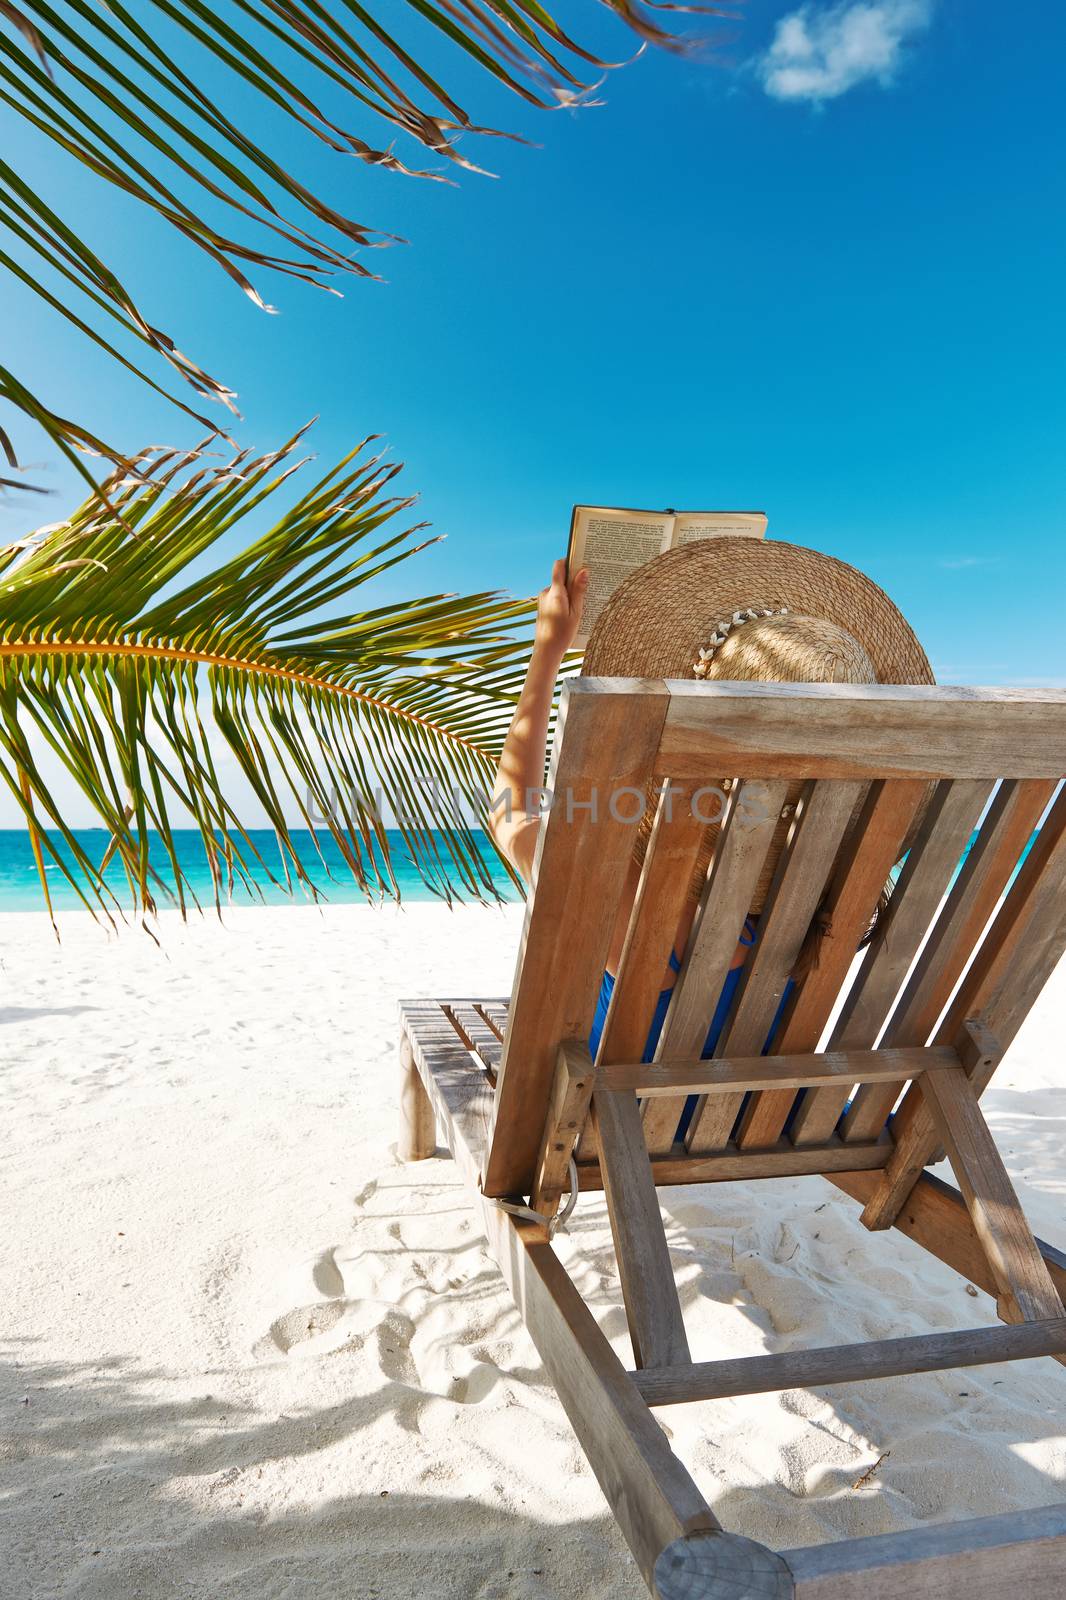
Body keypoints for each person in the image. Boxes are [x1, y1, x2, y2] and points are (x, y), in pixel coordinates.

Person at [489, 538, 934, 1137]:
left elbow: (509, 810)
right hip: (767, 1118)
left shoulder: (623, 890)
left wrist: (548, 654)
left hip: (619, 1122)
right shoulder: (834, 889)